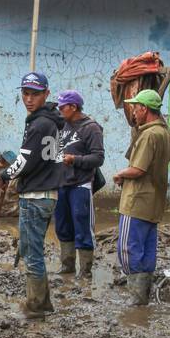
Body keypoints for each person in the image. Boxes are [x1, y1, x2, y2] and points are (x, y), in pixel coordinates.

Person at [0, 72, 64, 316]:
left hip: (36, 196)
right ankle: (43, 302)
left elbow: (25, 160)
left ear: (46, 94)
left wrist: (5, 175)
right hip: (47, 193)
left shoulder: (39, 124)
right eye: (25, 93)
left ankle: (35, 305)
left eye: (35, 94)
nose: (28, 98)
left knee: (32, 252)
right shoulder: (51, 122)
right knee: (33, 247)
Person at [112, 90, 170, 305]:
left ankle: (136, 297)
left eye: (135, 108)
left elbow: (137, 169)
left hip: (136, 201)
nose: (134, 112)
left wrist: (119, 174)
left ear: (144, 109)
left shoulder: (148, 135)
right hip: (153, 202)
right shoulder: (163, 132)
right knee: (147, 249)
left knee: (127, 249)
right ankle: (143, 297)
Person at [54, 90, 104, 281]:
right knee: (62, 225)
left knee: (82, 225)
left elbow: (98, 157)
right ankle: (67, 265)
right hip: (61, 183)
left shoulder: (91, 128)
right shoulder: (62, 125)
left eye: (62, 107)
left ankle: (85, 270)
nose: (59, 110)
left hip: (81, 184)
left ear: (73, 107)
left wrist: (75, 159)